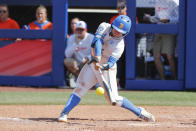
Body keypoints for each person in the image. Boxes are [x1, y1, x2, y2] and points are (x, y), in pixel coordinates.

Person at [58, 15, 155, 122]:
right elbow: (97, 41)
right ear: (113, 25)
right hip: (94, 61)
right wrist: (97, 57)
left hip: (107, 69)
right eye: (116, 29)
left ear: (125, 33)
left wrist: (102, 66)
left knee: (114, 100)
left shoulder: (120, 46)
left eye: (120, 31)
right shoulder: (104, 26)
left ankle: (139, 112)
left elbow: (110, 63)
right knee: (80, 88)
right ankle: (64, 113)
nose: (117, 32)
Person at [143, 0, 178, 80]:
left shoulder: (175, 2)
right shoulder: (158, 1)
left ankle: (176, 80)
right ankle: (163, 80)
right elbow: (157, 17)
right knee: (156, 56)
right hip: (158, 30)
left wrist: (168, 20)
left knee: (169, 56)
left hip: (170, 30)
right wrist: (149, 18)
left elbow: (179, 19)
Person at [110, 0, 127, 88]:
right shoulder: (114, 18)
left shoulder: (131, 17)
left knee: (126, 65)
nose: (120, 9)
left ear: (126, 8)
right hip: (117, 45)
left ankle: (124, 84)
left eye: (122, 7)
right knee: (117, 65)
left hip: (129, 47)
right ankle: (117, 84)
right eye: (118, 8)